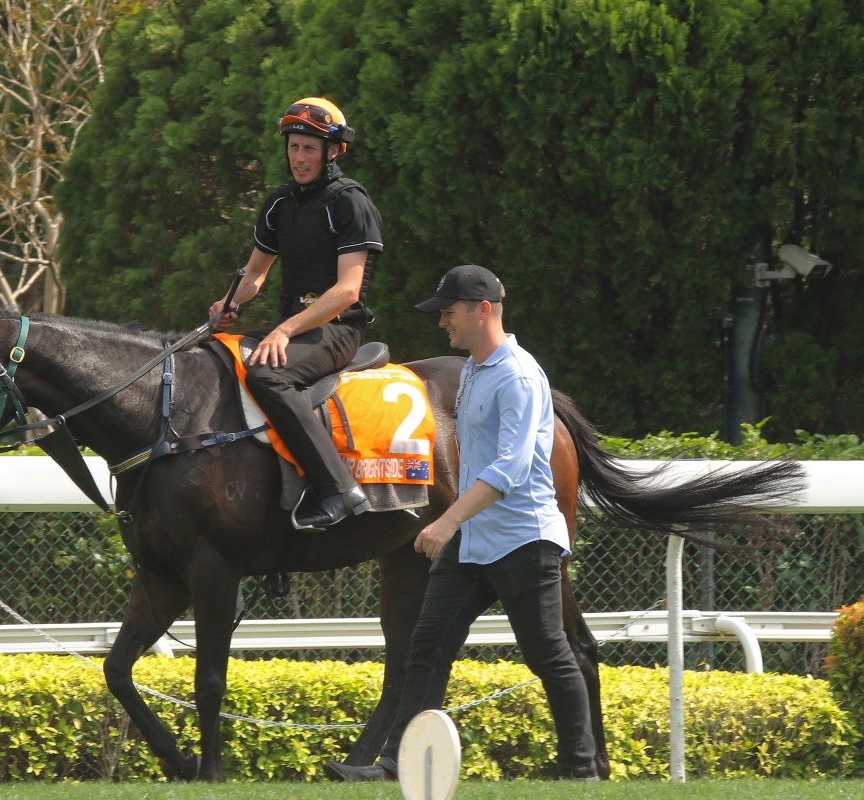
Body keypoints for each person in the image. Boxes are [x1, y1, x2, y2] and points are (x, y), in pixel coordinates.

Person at [324, 264, 599, 781]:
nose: (442, 322)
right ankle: (395, 764)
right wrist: (459, 528)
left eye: (449, 312)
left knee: (548, 655)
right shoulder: (473, 367)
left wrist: (447, 521)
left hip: (522, 539)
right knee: (427, 646)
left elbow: (512, 467)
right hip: (475, 542)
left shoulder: (517, 375)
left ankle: (581, 771)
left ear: (483, 310)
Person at [209, 97, 383, 530]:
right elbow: (254, 274)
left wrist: (284, 330)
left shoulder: (350, 202)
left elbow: (346, 291)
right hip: (296, 328)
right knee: (215, 354)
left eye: (309, 148)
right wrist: (230, 302)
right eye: (293, 147)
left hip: (338, 330)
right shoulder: (279, 203)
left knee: (268, 375)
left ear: (332, 151)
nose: (299, 158)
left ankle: (338, 490)